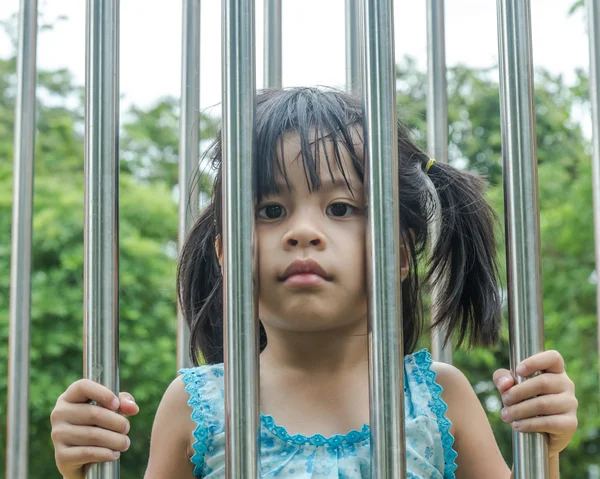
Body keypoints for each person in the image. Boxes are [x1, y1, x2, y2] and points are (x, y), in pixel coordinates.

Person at [50, 88, 578, 479]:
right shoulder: (197, 404)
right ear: (226, 254)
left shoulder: (437, 397)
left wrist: (546, 451)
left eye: (340, 207)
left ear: (397, 254)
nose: (303, 232)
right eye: (271, 210)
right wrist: (81, 468)